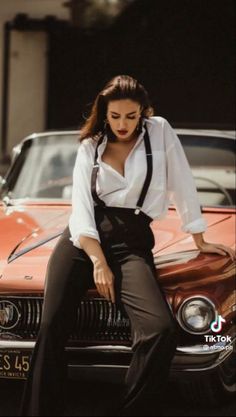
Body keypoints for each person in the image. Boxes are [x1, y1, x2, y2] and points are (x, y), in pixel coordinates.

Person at [20, 74, 235, 417]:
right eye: (115, 116)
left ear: (144, 113)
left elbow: (182, 181)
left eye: (131, 116)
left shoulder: (160, 131)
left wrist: (199, 237)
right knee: (50, 328)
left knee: (159, 330)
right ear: (104, 113)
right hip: (82, 239)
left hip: (131, 239)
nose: (123, 124)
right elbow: (81, 208)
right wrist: (98, 262)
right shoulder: (89, 145)